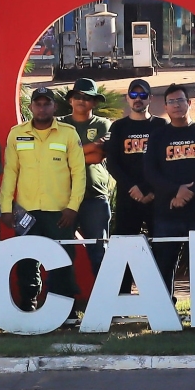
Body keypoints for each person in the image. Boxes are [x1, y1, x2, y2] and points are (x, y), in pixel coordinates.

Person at [1, 87, 84, 312]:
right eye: (37, 103)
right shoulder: (16, 133)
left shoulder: (68, 134)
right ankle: (28, 304)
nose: (42, 107)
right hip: (26, 212)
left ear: (54, 107)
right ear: (30, 108)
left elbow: (78, 173)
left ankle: (64, 309)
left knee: (62, 261)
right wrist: (6, 207)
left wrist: (72, 207)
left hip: (60, 212)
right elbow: (10, 172)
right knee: (27, 260)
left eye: (47, 103)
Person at [144, 82, 195, 294]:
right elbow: (150, 171)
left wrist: (190, 192)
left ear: (189, 103)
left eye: (180, 100)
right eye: (171, 102)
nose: (176, 105)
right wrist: (175, 191)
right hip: (166, 212)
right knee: (164, 265)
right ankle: (166, 312)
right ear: (166, 107)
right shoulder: (158, 136)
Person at [62, 78, 113, 279]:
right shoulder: (60, 124)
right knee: (63, 253)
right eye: (77, 96)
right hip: (64, 198)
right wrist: (89, 148)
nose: (81, 100)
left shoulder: (103, 123)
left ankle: (107, 304)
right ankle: (67, 306)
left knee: (99, 252)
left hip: (94, 197)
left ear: (94, 102)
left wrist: (71, 154)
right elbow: (56, 156)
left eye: (87, 97)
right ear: (71, 100)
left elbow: (99, 155)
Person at [105, 77, 161, 241]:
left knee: (161, 248)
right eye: (134, 94)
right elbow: (112, 163)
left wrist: (151, 190)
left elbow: (166, 163)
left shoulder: (161, 125)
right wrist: (133, 188)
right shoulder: (118, 127)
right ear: (127, 98)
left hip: (156, 197)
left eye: (143, 95)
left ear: (150, 98)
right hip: (128, 196)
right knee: (125, 246)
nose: (138, 99)